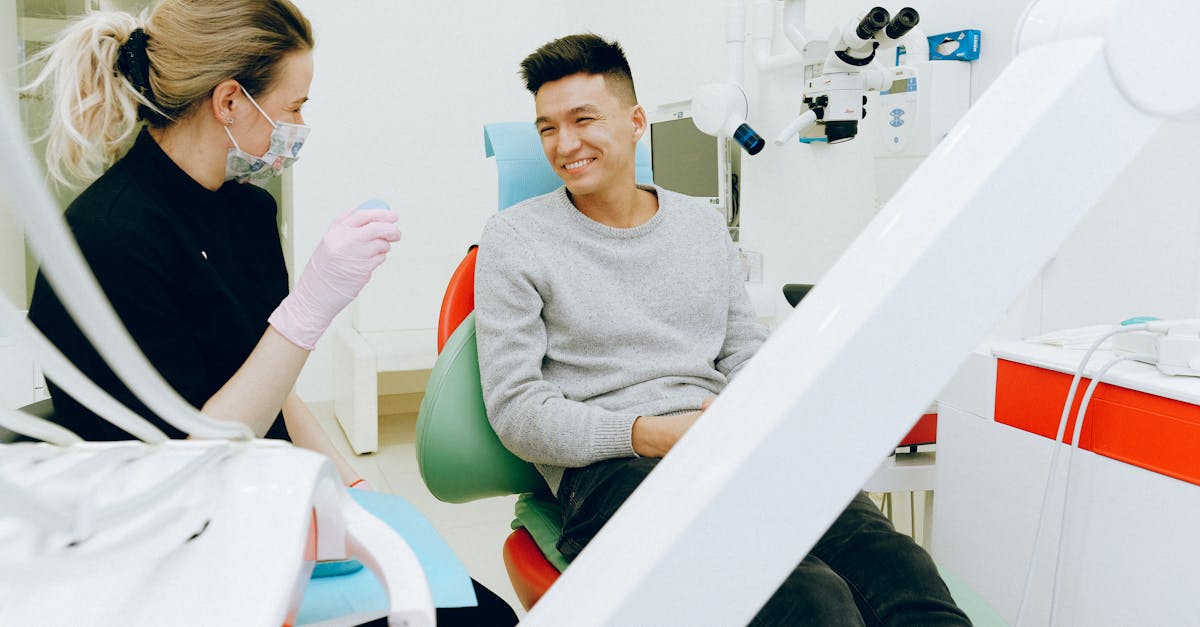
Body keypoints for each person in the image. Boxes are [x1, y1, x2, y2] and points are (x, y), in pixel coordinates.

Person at [25, 2, 516, 624]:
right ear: (229, 101)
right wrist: (308, 309)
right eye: (293, 107)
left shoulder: (245, 211)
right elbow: (187, 467)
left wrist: (353, 491)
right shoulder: (107, 238)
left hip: (268, 501)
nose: (301, 124)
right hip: (177, 545)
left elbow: (271, 382)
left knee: (483, 612)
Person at [475, 33, 970, 626]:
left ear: (635, 122)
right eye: (548, 128)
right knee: (807, 598)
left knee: (900, 573)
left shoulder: (700, 225)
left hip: (729, 441)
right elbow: (517, 412)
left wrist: (766, 411)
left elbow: (741, 349)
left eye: (584, 119)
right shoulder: (515, 238)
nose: (566, 143)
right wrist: (656, 434)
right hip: (613, 468)